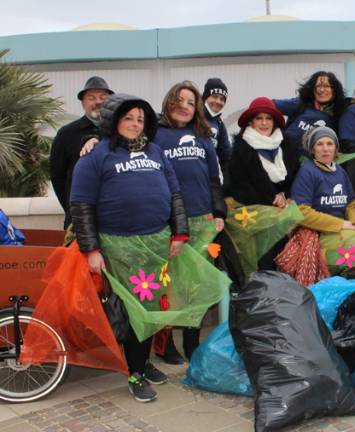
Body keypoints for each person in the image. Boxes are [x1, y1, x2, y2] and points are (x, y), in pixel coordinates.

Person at [69, 94, 224, 402]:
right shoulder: (96, 156)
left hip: (158, 244)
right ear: (113, 120)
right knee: (134, 311)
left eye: (140, 119)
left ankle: (142, 363)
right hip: (119, 247)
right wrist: (91, 249)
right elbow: (81, 204)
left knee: (154, 306)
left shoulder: (155, 151)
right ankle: (135, 372)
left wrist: (180, 233)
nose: (135, 124)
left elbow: (175, 194)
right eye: (129, 118)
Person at [154, 81, 227, 363]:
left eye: (190, 102)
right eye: (179, 100)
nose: (184, 106)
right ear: (169, 102)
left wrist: (219, 212)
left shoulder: (203, 136)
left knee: (194, 286)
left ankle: (192, 340)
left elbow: (214, 179)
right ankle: (165, 344)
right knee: (168, 286)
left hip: (202, 220)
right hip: (168, 221)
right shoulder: (155, 135)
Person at [282, 126, 355, 284]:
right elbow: (302, 212)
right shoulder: (308, 171)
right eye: (320, 144)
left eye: (330, 143)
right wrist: (343, 224)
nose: (325, 149)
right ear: (312, 149)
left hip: (344, 227)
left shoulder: (339, 171)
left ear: (335, 148)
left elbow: (350, 203)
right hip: (321, 231)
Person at [225, 97, 303, 273]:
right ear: (251, 122)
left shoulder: (287, 144)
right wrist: (272, 200)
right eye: (259, 118)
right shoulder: (241, 147)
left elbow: (295, 175)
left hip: (283, 207)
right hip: (253, 210)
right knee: (263, 257)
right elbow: (239, 185)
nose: (264, 123)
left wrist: (285, 195)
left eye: (268, 118)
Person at [50, 76, 113, 228]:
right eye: (91, 98)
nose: (97, 102)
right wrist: (71, 209)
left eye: (102, 98)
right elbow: (57, 177)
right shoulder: (66, 133)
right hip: (79, 219)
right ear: (83, 103)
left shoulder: (118, 131)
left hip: (114, 217)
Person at [274, 71, 347, 156]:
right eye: (318, 86)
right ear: (312, 89)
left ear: (335, 90)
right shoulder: (300, 104)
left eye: (327, 86)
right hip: (285, 156)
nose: (322, 90)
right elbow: (269, 105)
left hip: (313, 163)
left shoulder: (340, 114)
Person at [201, 78, 232, 175]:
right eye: (214, 96)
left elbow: (226, 157)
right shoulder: (192, 117)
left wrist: (230, 185)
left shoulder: (219, 124)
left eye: (222, 99)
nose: (218, 101)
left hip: (210, 180)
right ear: (206, 97)